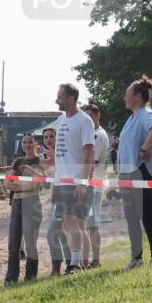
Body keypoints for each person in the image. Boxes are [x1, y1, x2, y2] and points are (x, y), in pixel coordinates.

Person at [116, 75, 152, 268]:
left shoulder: (146, 114)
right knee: (131, 217)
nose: (125, 98)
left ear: (137, 96)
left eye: (127, 94)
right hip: (128, 173)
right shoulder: (132, 118)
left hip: (141, 172)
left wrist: (144, 149)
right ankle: (136, 257)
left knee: (145, 215)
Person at [52, 83, 95, 275]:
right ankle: (74, 262)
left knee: (73, 221)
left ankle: (76, 263)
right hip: (60, 180)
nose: (56, 100)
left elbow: (89, 152)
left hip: (74, 180)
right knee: (65, 223)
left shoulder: (84, 121)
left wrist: (82, 181)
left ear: (71, 98)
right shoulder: (61, 120)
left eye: (60, 97)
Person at [4, 133, 45, 283]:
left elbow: (37, 182)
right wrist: (23, 186)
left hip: (32, 203)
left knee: (30, 244)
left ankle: (30, 277)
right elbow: (7, 184)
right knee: (13, 244)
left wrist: (29, 175)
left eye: (30, 142)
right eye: (24, 142)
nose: (27, 145)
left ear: (35, 144)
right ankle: (11, 279)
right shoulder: (17, 161)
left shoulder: (40, 160)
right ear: (21, 145)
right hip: (16, 203)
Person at [82, 103, 110, 269]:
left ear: (98, 116)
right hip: (88, 184)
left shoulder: (98, 135)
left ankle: (96, 260)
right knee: (88, 225)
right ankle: (92, 260)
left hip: (93, 184)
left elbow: (92, 160)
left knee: (92, 225)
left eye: (90, 117)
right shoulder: (90, 134)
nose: (88, 121)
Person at [41, 127, 69, 276]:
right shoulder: (46, 158)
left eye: (52, 136)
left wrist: (55, 161)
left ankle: (59, 267)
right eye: (45, 137)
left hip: (67, 197)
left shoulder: (63, 154)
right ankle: (67, 265)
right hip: (55, 199)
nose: (49, 139)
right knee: (60, 233)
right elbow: (47, 184)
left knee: (53, 233)